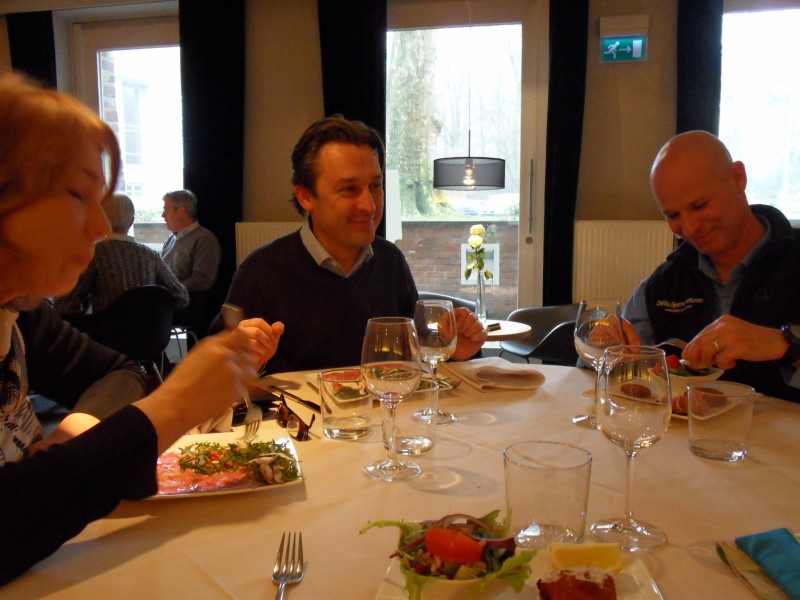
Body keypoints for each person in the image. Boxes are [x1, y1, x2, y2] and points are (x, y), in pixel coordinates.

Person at [0, 73, 280, 583]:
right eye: (77, 194)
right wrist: (174, 406)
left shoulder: (19, 317)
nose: (100, 227)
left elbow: (124, 372)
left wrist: (80, 429)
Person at [209, 115, 487, 374]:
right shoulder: (261, 273)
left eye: (375, 186)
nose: (369, 205)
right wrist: (243, 361)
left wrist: (454, 351)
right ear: (306, 196)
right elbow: (212, 377)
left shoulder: (390, 262)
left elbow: (414, 360)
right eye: (349, 189)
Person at [623, 130, 800, 402]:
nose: (690, 228)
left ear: (737, 178)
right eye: (673, 215)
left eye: (699, 205)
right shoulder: (663, 284)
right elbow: (614, 369)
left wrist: (785, 345)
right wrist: (602, 345)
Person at [53, 192, 189, 316]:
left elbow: (64, 306)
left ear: (102, 219)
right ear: (132, 221)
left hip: (107, 333)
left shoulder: (93, 254)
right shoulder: (150, 255)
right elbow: (182, 296)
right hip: (150, 333)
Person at [161, 189, 222, 337]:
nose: (163, 215)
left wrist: (169, 292)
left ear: (181, 210)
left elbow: (203, 281)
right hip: (168, 301)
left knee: (144, 313)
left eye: (166, 209)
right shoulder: (170, 239)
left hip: (189, 305)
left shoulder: (204, 239)